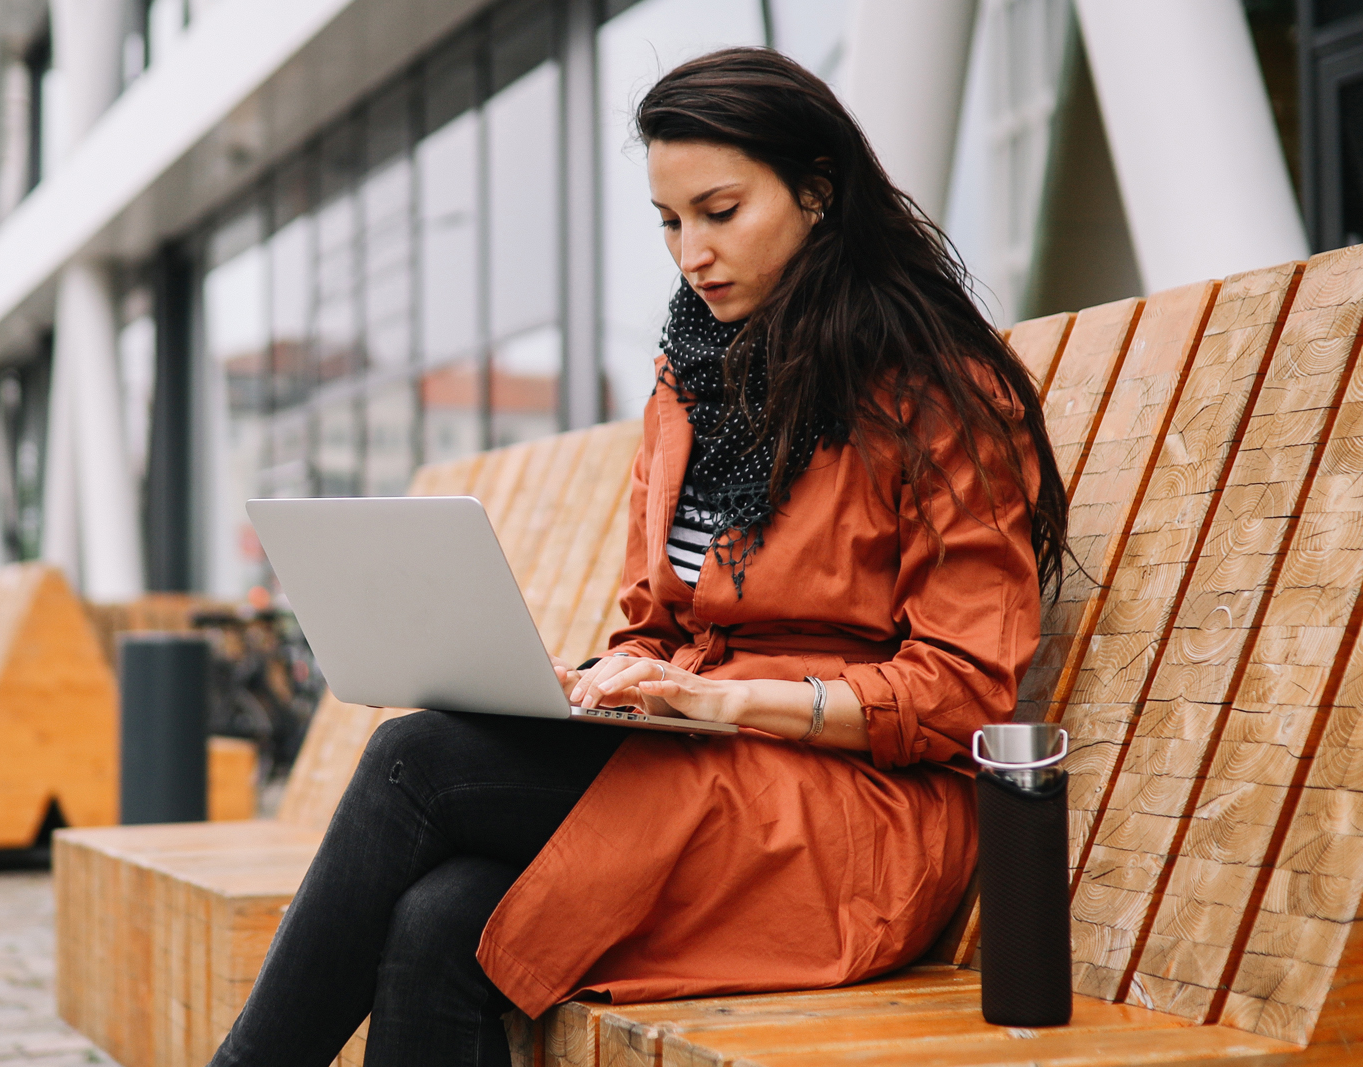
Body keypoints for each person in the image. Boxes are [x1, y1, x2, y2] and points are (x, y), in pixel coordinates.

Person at [208, 46, 1067, 1067]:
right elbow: (654, 620)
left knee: (415, 757)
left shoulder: (938, 393)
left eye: (720, 210)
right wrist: (609, 679)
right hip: (694, 769)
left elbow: (964, 689)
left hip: (850, 815)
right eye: (669, 222)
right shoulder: (687, 381)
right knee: (439, 919)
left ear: (817, 193)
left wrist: (731, 702)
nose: (691, 252)